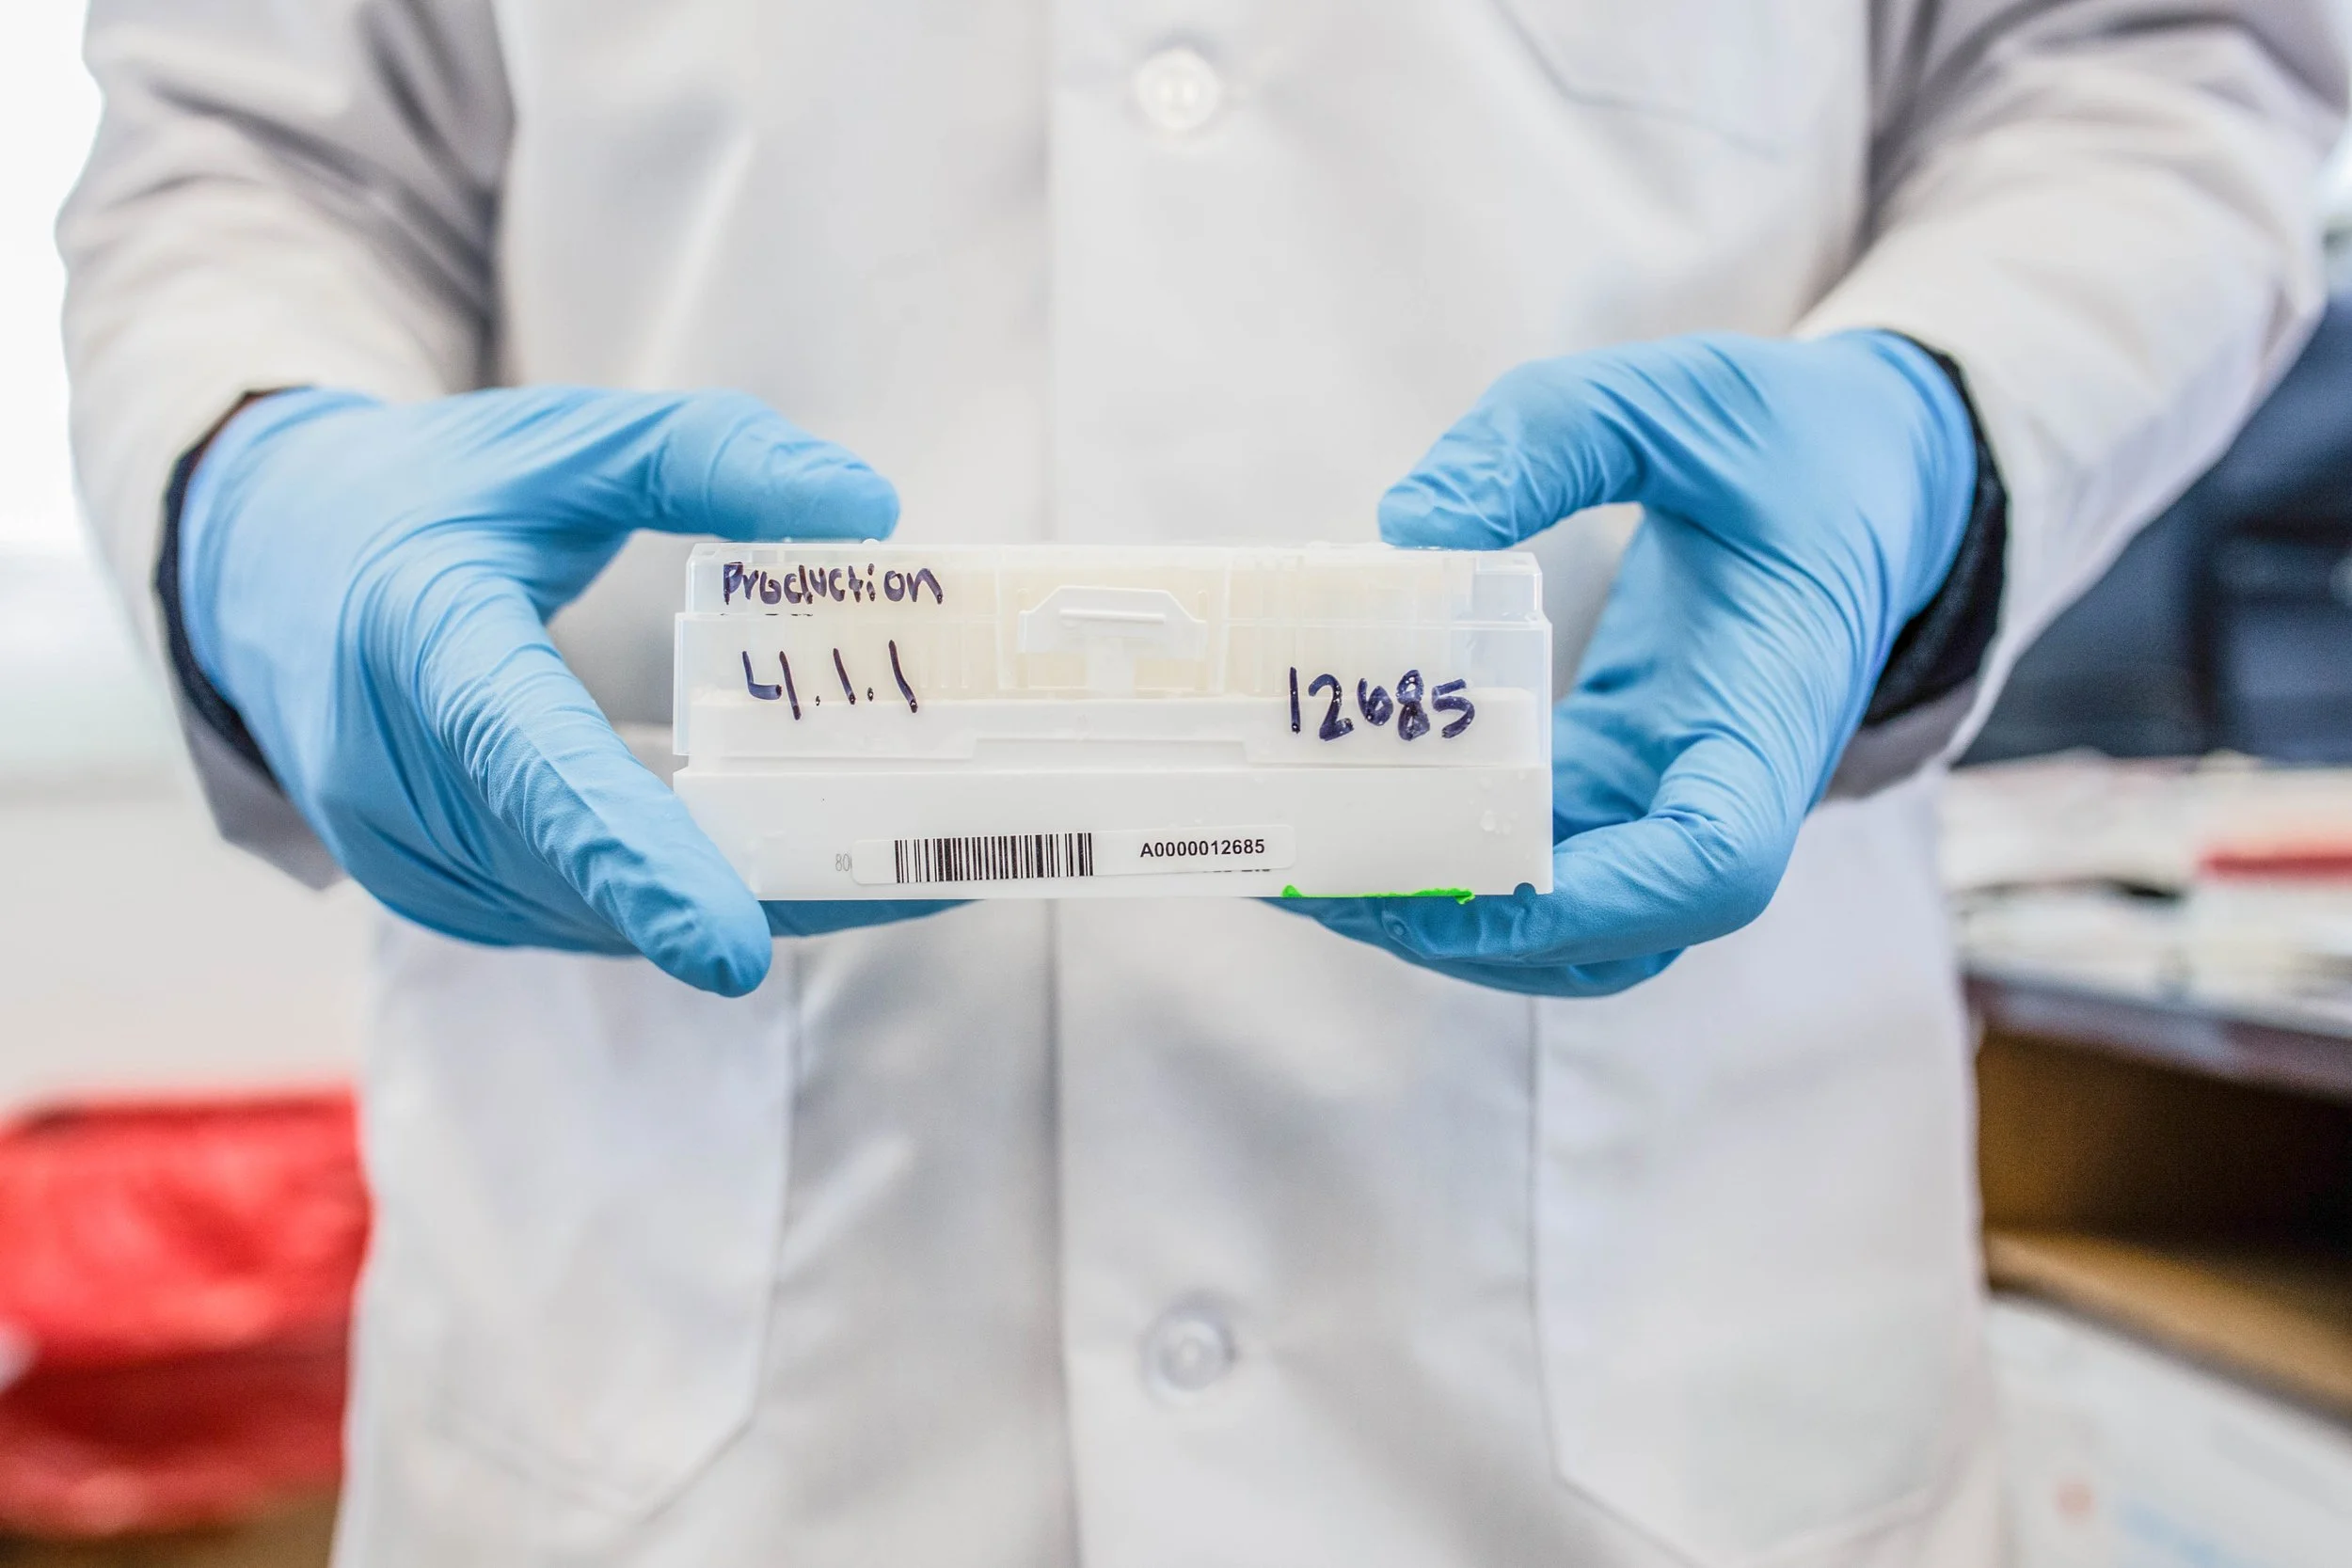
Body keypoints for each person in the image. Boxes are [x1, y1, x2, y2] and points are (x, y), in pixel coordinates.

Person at [59, 4, 2342, 1564]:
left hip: (1662, 1346)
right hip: (690, 1345)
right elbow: (254, 148)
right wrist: (264, 500)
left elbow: (2155, 60)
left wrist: (1944, 421)